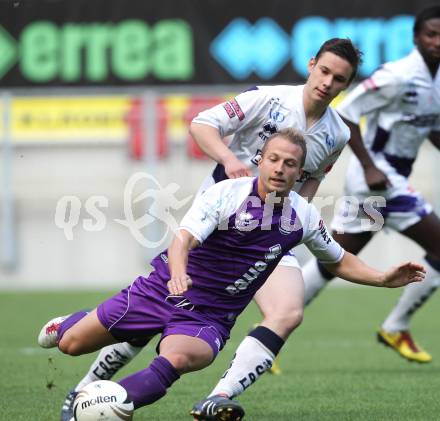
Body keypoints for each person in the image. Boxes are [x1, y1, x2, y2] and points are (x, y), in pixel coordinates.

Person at [58, 37, 362, 421]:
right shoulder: (266, 99)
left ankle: (217, 397)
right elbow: (202, 124)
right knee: (145, 323)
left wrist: (294, 220)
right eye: (324, 71)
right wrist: (229, 160)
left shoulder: (338, 134)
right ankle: (84, 387)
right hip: (217, 229)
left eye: (338, 79)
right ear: (311, 64)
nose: (327, 82)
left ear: (345, 85)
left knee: (287, 312)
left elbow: (312, 179)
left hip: (269, 236)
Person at [38, 130, 425, 421]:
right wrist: (177, 276)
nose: (280, 168)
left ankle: (107, 405)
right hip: (160, 291)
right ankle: (68, 324)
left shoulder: (301, 216)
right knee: (72, 345)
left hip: (208, 317)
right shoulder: (226, 195)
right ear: (261, 159)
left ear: (299, 172)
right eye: (274, 159)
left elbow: (338, 259)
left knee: (180, 358)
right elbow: (183, 240)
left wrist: (382, 278)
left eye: (290, 164)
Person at [302, 5, 440, 364]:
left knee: (338, 256)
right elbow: (345, 111)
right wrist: (368, 165)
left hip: (386, 181)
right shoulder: (398, 75)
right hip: (379, 180)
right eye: (431, 34)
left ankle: (273, 320)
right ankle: (396, 325)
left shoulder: (435, 80)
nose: (437, 42)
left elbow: (426, 126)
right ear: (416, 37)